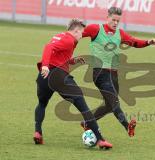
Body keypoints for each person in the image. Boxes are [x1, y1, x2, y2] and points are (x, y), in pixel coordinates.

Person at [33, 18, 112, 149]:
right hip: (58, 76)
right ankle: (100, 139)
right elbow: (48, 47)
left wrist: (72, 61)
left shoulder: (60, 36)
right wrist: (46, 65)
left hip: (44, 77)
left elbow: (58, 55)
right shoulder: (69, 40)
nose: (82, 35)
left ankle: (38, 132)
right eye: (81, 33)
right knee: (83, 106)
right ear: (75, 31)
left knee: (42, 103)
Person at [81, 7, 155, 137]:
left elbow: (134, 42)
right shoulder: (95, 29)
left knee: (110, 105)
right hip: (100, 73)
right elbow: (76, 34)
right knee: (114, 102)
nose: (116, 23)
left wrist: (148, 42)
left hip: (113, 75)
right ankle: (127, 126)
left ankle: (87, 123)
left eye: (118, 21)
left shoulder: (120, 33)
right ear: (107, 17)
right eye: (113, 20)